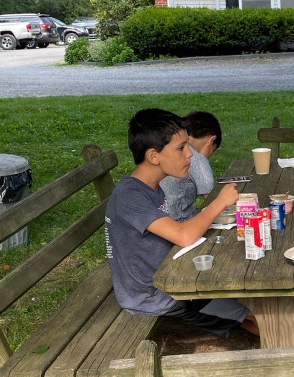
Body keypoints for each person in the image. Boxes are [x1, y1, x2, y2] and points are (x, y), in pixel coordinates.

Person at [105, 108, 257, 336]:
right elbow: (184, 236)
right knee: (256, 317)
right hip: (156, 297)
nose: (189, 155)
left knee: (251, 302)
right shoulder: (130, 197)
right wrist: (220, 202)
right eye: (181, 148)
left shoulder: (150, 187)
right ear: (153, 156)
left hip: (168, 279)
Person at [160, 110, 221, 221]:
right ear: (210, 140)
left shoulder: (170, 149)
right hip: (177, 219)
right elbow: (212, 200)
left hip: (159, 215)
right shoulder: (197, 158)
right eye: (212, 152)